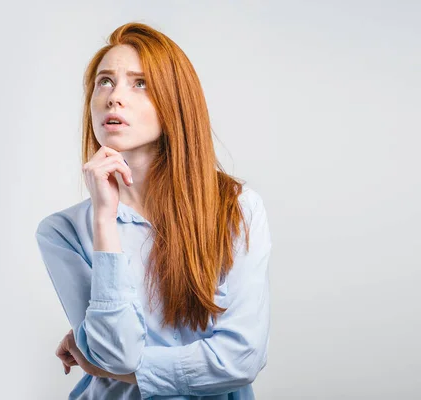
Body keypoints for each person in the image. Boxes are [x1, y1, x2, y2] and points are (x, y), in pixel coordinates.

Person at [35, 21, 272, 400]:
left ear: (175, 102)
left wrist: (127, 371)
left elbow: (241, 359)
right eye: (105, 81)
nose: (114, 97)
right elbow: (118, 353)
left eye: (139, 83)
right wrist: (104, 221)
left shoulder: (237, 209)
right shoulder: (62, 231)